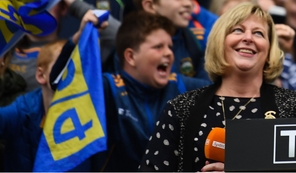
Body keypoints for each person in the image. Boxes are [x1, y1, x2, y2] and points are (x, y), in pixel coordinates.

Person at [140, 3, 296, 172]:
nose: (248, 38)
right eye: (238, 30)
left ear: (269, 51)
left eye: (259, 33)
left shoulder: (295, 108)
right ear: (219, 43)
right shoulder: (180, 108)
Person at [47, 11, 209, 171]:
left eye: (170, 47)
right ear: (131, 57)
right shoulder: (107, 88)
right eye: (158, 47)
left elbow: (228, 96)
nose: (168, 53)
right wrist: (78, 38)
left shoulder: (181, 86)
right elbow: (59, 82)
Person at [129, 0, 209, 80]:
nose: (188, 3)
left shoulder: (199, 41)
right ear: (150, 6)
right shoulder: (130, 44)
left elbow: (206, 90)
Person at [0, 40, 65, 172]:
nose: (71, 73)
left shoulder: (91, 112)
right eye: (62, 65)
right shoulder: (23, 109)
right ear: (41, 75)